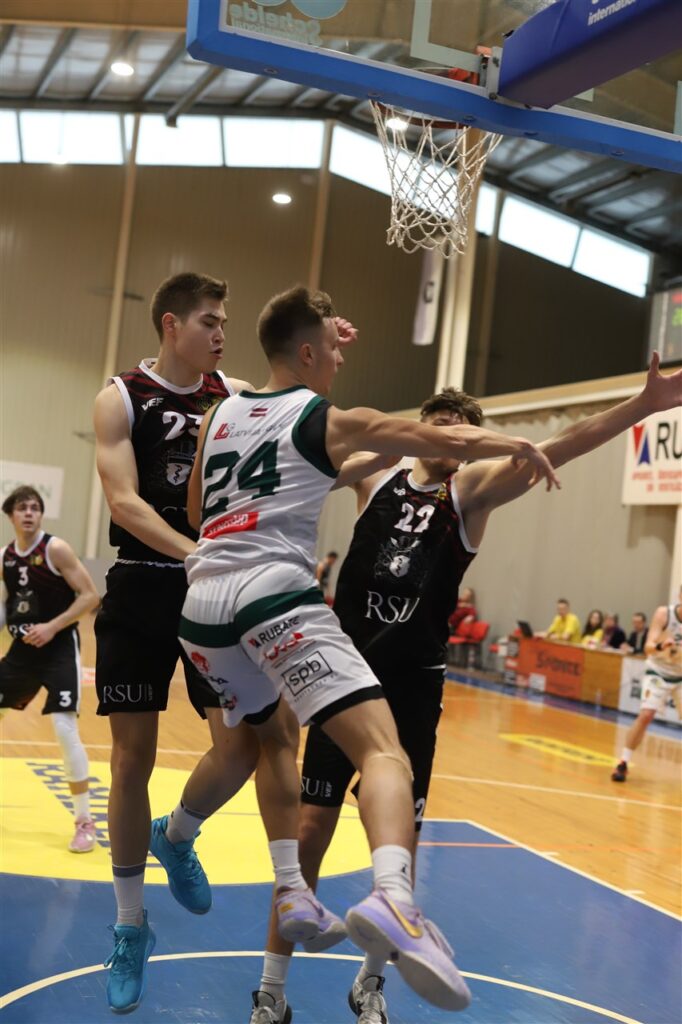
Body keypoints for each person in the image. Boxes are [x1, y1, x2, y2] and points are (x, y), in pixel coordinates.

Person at [243, 348, 682, 1024]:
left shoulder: (470, 492)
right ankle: (271, 990)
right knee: (308, 831)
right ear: (421, 429)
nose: (450, 433)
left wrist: (643, 406)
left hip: (412, 688)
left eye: (463, 428)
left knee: (398, 843)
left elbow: (561, 444)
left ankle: (371, 983)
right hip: (345, 674)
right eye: (440, 422)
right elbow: (305, 459)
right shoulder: (375, 475)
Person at [176, 285, 562, 1021]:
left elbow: (197, 511)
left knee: (262, 744)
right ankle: (392, 900)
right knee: (381, 759)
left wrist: (317, 342)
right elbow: (398, 431)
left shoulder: (222, 410)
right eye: (333, 347)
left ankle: (185, 836)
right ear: (309, 352)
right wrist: (512, 443)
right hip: (279, 603)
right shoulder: (339, 430)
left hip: (203, 610)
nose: (342, 358)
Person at [94, 272, 347, 1015]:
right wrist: (194, 551)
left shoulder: (232, 396)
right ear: (171, 325)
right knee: (131, 760)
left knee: (247, 745)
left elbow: (301, 411)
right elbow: (123, 501)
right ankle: (130, 926)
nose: (221, 333)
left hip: (215, 589)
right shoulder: (121, 397)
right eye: (210, 321)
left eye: (227, 322)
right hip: (145, 584)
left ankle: (180, 833)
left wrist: (323, 343)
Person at [0, 485, 100, 853]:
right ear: (11, 515)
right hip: (21, 651)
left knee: (63, 727)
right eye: (22, 508)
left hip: (58, 648)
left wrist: (52, 627)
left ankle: (84, 821)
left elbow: (90, 596)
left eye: (35, 507)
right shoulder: (5, 557)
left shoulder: (55, 549)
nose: (29, 513)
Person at [612, 587, 682, 782]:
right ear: (680, 596)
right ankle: (623, 763)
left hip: (680, 674)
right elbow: (648, 647)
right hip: (658, 670)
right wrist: (661, 645)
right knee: (646, 715)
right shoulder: (664, 614)